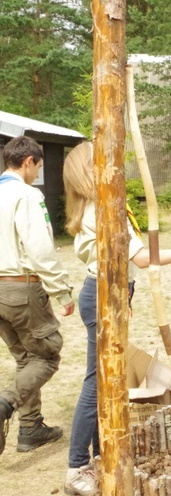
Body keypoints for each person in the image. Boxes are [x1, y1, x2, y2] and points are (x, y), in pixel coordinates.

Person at [61, 141, 171, 496]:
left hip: (111, 293)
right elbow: (144, 258)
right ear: (91, 170)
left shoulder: (102, 206)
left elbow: (128, 259)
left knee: (109, 378)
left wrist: (124, 295)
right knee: (97, 382)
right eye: (104, 159)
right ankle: (76, 467)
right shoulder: (100, 209)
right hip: (102, 295)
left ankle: (103, 454)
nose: (115, 163)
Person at [0, 136, 75, 456]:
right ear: (28, 161)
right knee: (47, 355)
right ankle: (5, 404)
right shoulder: (27, 195)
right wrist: (61, 290)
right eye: (38, 168)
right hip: (20, 287)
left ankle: (31, 428)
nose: (37, 175)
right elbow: (40, 249)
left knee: (24, 358)